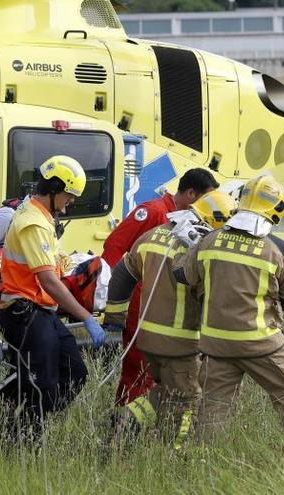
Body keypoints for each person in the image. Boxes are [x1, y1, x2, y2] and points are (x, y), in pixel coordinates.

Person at [173, 175, 284, 438]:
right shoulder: (275, 248)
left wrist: (188, 246)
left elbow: (183, 275)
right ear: (276, 208)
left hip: (216, 344)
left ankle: (204, 460)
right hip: (260, 343)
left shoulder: (209, 240)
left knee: (213, 409)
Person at [105, 190, 237, 447]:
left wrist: (115, 318)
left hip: (147, 339)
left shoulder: (154, 233)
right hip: (180, 343)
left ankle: (128, 418)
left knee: (165, 391)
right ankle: (175, 453)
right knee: (188, 399)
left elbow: (121, 276)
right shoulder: (197, 246)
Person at [0, 155, 106, 435]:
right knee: (42, 384)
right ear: (55, 188)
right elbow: (47, 279)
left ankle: (15, 423)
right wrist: (85, 317)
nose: (70, 201)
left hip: (41, 311)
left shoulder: (42, 217)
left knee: (76, 374)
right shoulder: (33, 222)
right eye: (69, 195)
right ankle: (21, 436)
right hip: (25, 311)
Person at [101, 168, 219, 408]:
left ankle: (147, 423)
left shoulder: (193, 224)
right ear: (189, 193)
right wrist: (107, 297)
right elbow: (114, 247)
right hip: (141, 303)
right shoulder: (153, 212)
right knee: (137, 369)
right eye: (205, 199)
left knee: (166, 378)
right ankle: (124, 421)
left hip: (166, 308)